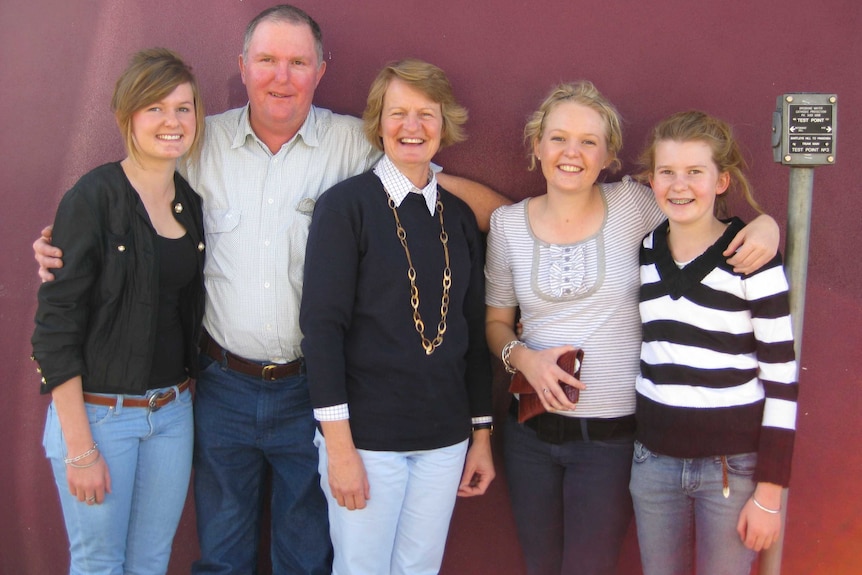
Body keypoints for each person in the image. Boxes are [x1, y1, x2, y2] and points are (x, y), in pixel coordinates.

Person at [34, 5, 508, 573]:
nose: (281, 77)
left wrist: (526, 221)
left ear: (321, 70)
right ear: (242, 66)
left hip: (311, 389)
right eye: (266, 61)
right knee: (223, 552)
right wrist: (70, 239)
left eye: (297, 62)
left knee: (305, 554)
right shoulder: (198, 142)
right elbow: (135, 187)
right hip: (219, 388)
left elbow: (443, 192)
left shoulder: (353, 143)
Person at [484, 82, 781, 575]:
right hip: (529, 433)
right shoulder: (507, 225)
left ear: (609, 155)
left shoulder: (635, 206)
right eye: (557, 138)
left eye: (588, 141)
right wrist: (524, 358)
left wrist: (766, 223)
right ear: (536, 147)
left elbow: (706, 218)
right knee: (538, 565)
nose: (571, 153)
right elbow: (496, 321)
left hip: (613, 439)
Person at [300, 59, 494, 575]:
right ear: (378, 122)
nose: (412, 127)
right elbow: (322, 332)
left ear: (444, 123)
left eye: (426, 114)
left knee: (419, 570)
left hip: (444, 441)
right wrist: (338, 448)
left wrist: (480, 437)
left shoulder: (457, 216)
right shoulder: (346, 207)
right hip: (367, 442)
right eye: (398, 113)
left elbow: (472, 338)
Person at [31, 48, 206, 575]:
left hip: (172, 414)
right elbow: (55, 329)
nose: (172, 122)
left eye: (183, 108)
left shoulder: (189, 202)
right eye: (154, 108)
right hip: (99, 418)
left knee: (150, 562)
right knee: (99, 564)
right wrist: (80, 450)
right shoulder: (93, 197)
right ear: (125, 116)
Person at [628, 110, 798, 575]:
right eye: (667, 172)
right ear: (651, 179)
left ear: (721, 180)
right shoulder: (645, 249)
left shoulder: (751, 257)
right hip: (653, 462)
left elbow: (783, 379)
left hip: (732, 468)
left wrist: (769, 494)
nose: (679, 185)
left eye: (695, 172)